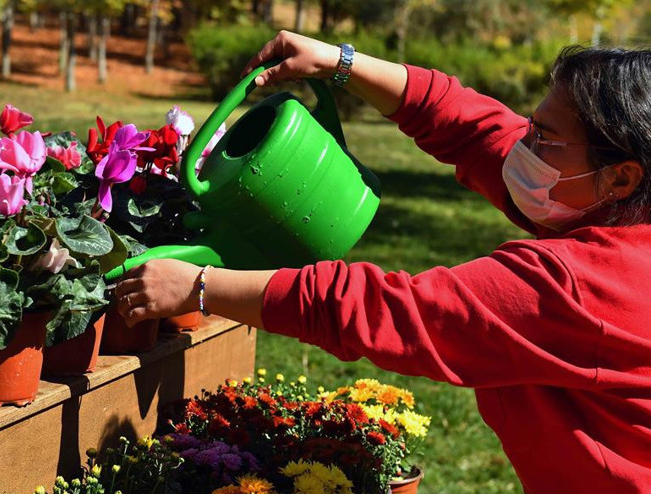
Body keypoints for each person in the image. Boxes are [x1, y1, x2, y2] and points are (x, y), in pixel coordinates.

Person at [112, 31, 651, 492]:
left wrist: (201, 286)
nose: (525, 146)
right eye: (532, 125)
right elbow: (476, 129)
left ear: (622, 175)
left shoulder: (584, 286)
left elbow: (389, 311)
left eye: (545, 138)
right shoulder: (619, 213)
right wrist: (339, 63)